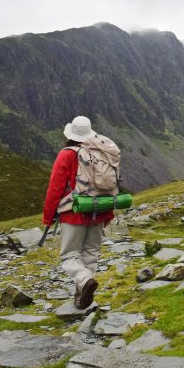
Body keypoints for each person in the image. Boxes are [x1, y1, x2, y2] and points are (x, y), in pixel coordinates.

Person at [42, 115, 115, 309]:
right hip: (99, 210)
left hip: (73, 213)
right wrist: (109, 214)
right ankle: (81, 295)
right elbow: (111, 185)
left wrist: (48, 217)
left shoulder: (66, 155)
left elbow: (55, 188)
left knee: (69, 256)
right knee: (90, 253)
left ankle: (84, 282)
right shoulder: (100, 153)